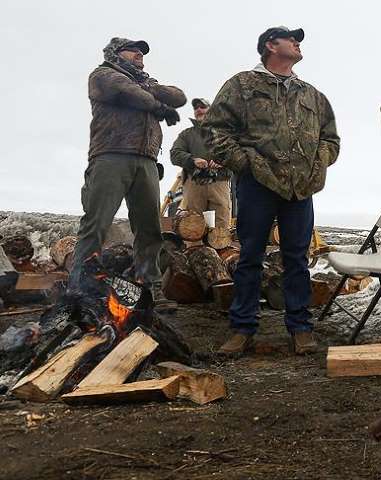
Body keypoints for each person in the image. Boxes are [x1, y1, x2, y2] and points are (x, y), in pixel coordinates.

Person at [204, 26, 340, 355]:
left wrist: (317, 165)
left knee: (297, 259)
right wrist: (245, 164)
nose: (297, 43)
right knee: (250, 256)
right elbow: (215, 130)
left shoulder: (312, 95)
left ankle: (301, 328)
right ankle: (242, 329)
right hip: (257, 185)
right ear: (270, 45)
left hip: (300, 189)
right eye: (290, 38)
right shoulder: (242, 85)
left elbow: (331, 139)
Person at [69, 37, 186, 310]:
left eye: (141, 51)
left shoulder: (145, 83)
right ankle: (79, 290)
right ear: (115, 53)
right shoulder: (103, 75)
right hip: (111, 155)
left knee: (149, 227)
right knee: (96, 223)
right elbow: (125, 91)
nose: (139, 54)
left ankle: (149, 287)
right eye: (132, 50)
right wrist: (157, 105)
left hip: (146, 161)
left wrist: (151, 88)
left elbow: (179, 96)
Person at [170, 98, 232, 227]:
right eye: (196, 108)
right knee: (193, 227)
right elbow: (175, 154)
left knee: (221, 226)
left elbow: (235, 152)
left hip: (219, 183)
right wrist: (192, 160)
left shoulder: (225, 133)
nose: (198, 110)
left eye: (202, 107)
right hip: (194, 184)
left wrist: (223, 161)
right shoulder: (186, 135)